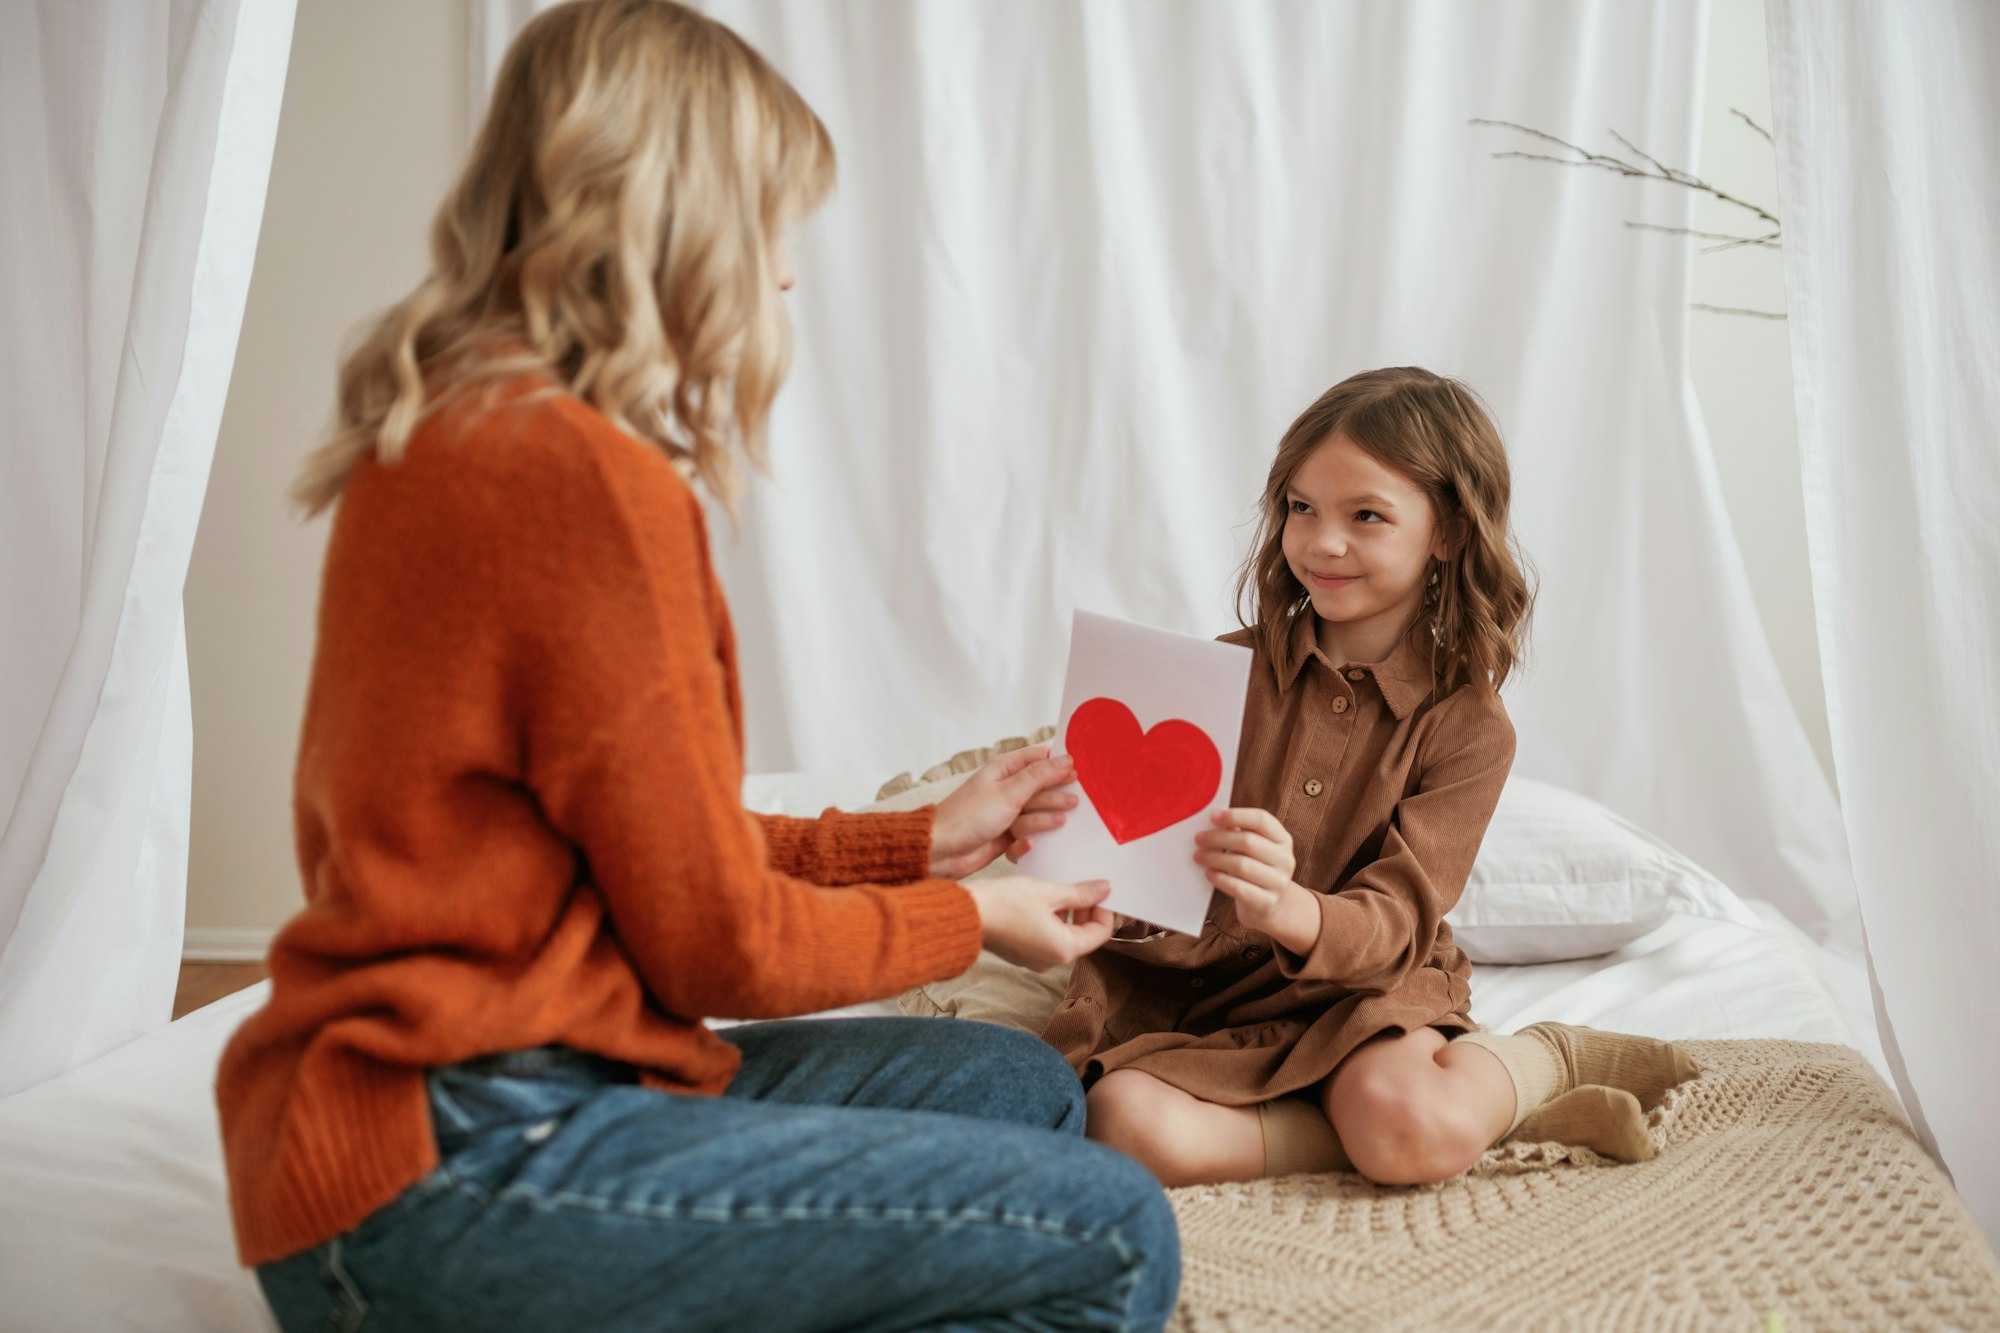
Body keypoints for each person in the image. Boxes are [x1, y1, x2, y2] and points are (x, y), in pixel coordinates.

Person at [216, 2, 1178, 1328]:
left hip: (532, 1086)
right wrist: (983, 917)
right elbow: (718, 940)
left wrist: (915, 843)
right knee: (1116, 1231)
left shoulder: (451, 427)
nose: (786, 276)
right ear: (681, 216)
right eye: (775, 223)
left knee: (1015, 1088)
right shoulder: (578, 483)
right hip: (460, 1163)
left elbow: (645, 843)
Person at [1009, 367, 1699, 1188]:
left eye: (1365, 515)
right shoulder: (1214, 675)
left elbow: (1401, 916)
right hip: (1207, 996)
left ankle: (1541, 1062)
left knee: (1412, 1122)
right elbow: (1138, 866)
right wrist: (1081, 863)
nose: (1322, 542)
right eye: (1303, 508)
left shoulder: (1468, 725)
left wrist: (1289, 906)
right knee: (1121, 1124)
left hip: (1366, 992)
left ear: (1446, 530)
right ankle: (1354, 1132)